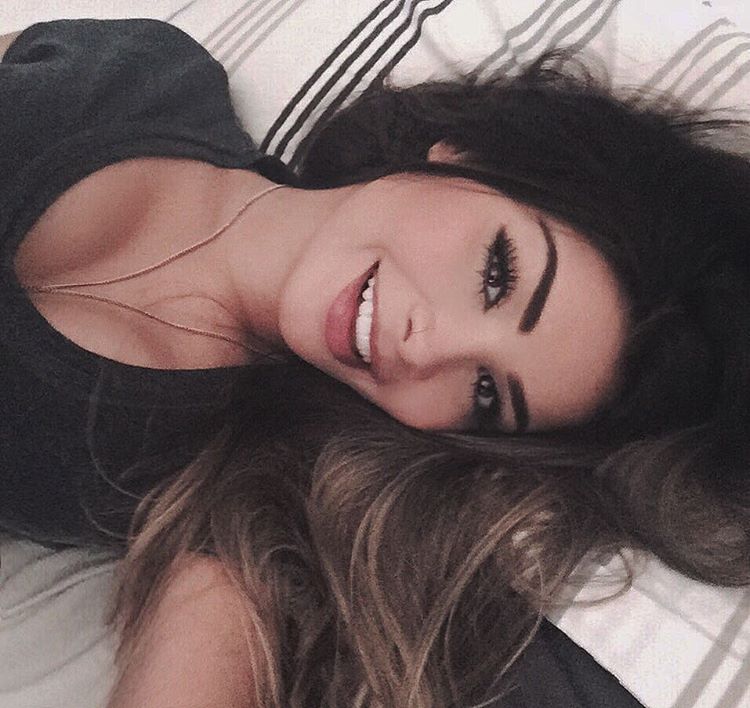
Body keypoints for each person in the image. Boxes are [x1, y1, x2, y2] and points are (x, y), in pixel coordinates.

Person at [1, 17, 748, 708]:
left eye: (486, 393)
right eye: (497, 275)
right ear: (466, 158)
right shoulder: (145, 69)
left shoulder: (237, 478)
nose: (428, 347)